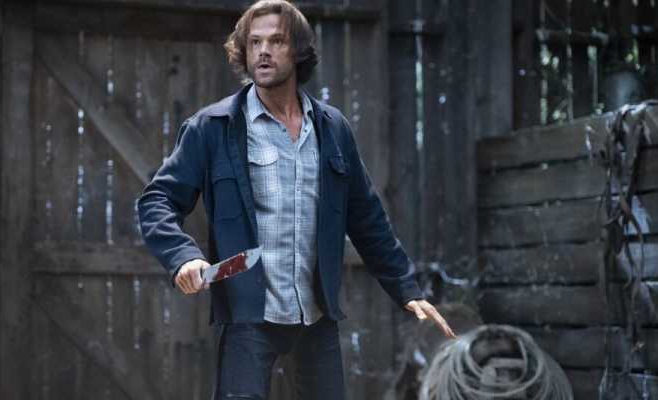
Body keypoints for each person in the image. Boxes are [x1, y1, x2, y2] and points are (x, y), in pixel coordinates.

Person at [136, 1, 455, 398]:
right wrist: (182, 256)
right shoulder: (213, 127)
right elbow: (157, 200)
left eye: (276, 41)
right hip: (248, 316)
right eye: (254, 43)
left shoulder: (332, 129)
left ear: (299, 51)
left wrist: (407, 289)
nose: (263, 51)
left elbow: (367, 219)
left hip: (315, 315)